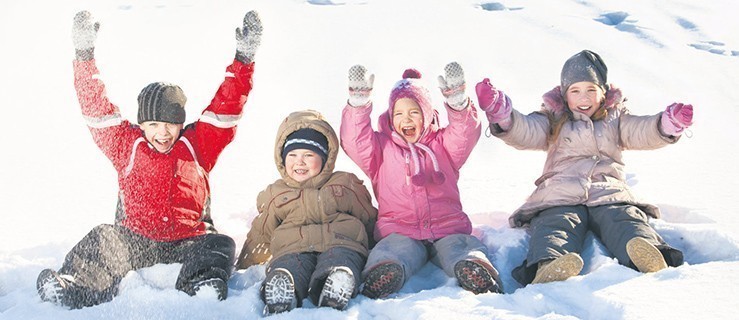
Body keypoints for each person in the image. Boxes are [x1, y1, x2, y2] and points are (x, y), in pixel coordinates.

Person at [35, 10, 262, 308]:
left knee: (220, 244)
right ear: (142, 125)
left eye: (170, 124)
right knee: (104, 237)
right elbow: (95, 107)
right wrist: (84, 54)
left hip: (188, 239)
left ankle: (201, 289)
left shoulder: (198, 144)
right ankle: (75, 286)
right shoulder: (126, 144)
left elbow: (228, 105)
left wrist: (243, 59)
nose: (163, 133)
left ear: (181, 124)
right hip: (137, 240)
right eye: (154, 124)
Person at [475, 50, 692, 286]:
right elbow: (527, 130)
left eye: (591, 90)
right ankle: (549, 264)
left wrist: (667, 125)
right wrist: (504, 118)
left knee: (624, 219)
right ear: (564, 95)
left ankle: (647, 252)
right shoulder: (553, 118)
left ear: (603, 93)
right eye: (575, 91)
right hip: (561, 193)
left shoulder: (615, 118)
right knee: (556, 225)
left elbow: (641, 131)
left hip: (607, 191)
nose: (583, 97)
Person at [340, 63, 503, 299]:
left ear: (426, 114)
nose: (406, 119)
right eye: (399, 113)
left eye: (414, 112)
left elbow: (465, 133)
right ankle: (384, 272)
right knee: (392, 251)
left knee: (461, 247)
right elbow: (356, 141)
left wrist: (458, 104)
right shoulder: (381, 148)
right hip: (400, 228)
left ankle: (474, 269)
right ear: (389, 116)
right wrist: (358, 104)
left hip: (447, 226)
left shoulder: (443, 144)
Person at [236, 110, 377, 314]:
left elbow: (367, 215)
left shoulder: (344, 183)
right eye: (292, 155)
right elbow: (261, 230)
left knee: (342, 260)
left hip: (341, 241)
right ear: (282, 159)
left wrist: (377, 243)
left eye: (308, 155)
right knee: (291, 264)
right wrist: (246, 262)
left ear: (325, 158)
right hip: (293, 247)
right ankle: (285, 288)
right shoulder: (276, 193)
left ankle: (336, 284)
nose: (299, 162)